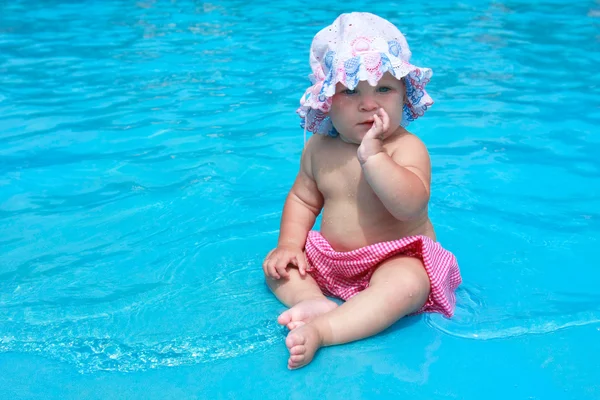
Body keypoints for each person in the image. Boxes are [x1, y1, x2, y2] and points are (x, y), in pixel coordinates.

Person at [262, 12, 462, 370]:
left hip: (395, 259)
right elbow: (302, 199)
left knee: (407, 285)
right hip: (332, 261)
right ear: (326, 100)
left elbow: (410, 207)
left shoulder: (406, 148)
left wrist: (374, 158)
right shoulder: (319, 149)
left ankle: (328, 329)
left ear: (404, 96)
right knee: (279, 269)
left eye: (384, 89)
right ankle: (312, 301)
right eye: (351, 91)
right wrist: (290, 245)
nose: (369, 104)